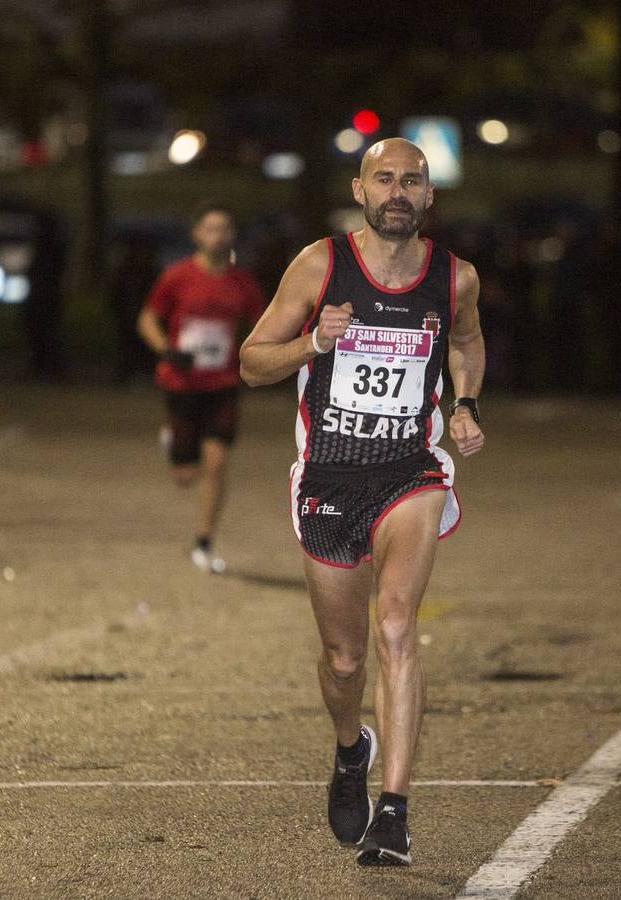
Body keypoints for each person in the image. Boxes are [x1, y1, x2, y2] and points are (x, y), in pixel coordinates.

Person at [239, 138, 485, 867]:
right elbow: (253, 361)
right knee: (344, 662)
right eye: (385, 179)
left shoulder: (455, 277)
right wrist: (312, 342)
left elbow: (466, 344)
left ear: (429, 195)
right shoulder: (319, 265)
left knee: (396, 628)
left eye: (412, 180)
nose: (398, 191)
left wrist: (465, 403)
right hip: (328, 480)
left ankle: (395, 811)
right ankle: (352, 750)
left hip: (409, 472)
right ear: (360, 189)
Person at [137, 204, 266, 573]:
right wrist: (166, 350)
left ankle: (203, 542)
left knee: (217, 463)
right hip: (181, 383)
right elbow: (146, 319)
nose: (217, 235)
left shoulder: (243, 283)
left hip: (222, 383)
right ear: (196, 234)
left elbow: (263, 323)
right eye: (209, 228)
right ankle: (174, 443)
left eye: (224, 228)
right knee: (185, 476)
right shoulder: (177, 277)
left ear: (232, 235)